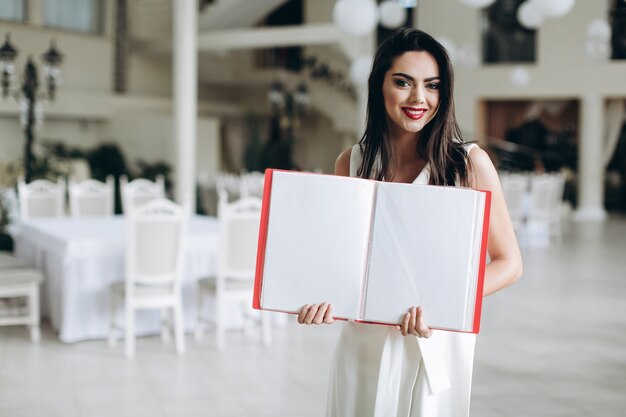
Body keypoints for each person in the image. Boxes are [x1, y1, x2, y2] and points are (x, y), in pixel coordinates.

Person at [297, 28, 523, 417]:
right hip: (363, 342)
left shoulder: (466, 164)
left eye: (432, 86)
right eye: (403, 82)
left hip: (434, 341)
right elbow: (344, 260)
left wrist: (444, 303)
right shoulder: (350, 162)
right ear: (379, 86)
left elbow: (509, 263)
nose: (420, 98)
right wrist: (318, 298)